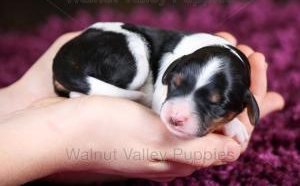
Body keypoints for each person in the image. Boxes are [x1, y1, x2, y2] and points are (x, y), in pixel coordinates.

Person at [0, 31, 284, 185]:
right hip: (100, 49)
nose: (177, 113)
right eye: (176, 85)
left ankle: (77, 91)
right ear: (173, 70)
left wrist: (227, 119)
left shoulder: (233, 94)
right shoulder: (177, 59)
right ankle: (80, 90)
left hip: (85, 61)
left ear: (246, 107)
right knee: (136, 67)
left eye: (214, 105)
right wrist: (65, 136)